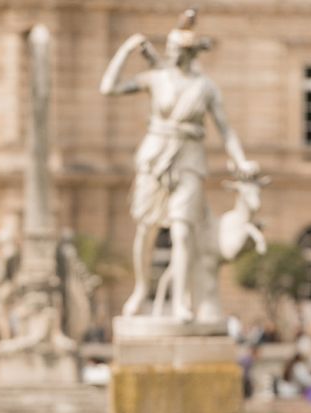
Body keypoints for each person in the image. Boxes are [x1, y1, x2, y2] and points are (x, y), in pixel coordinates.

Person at [100, 9, 258, 322]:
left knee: (184, 234)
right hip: (154, 156)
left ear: (188, 53)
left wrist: (241, 160)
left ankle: (180, 303)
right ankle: (141, 290)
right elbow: (108, 87)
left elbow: (225, 128)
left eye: (177, 51)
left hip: (190, 158)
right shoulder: (155, 79)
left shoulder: (205, 87)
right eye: (169, 50)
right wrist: (125, 50)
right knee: (145, 231)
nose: (171, 55)